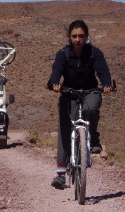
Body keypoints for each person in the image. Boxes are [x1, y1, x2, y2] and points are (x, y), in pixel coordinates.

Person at [47, 19, 112, 189]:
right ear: (69, 37)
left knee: (92, 108)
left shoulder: (94, 53)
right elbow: (56, 72)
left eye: (81, 36)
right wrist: (55, 83)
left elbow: (103, 71)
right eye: (74, 36)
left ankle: (94, 137)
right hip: (69, 92)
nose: (77, 39)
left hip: (90, 90)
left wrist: (106, 84)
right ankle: (61, 174)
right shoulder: (63, 54)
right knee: (65, 128)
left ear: (86, 37)